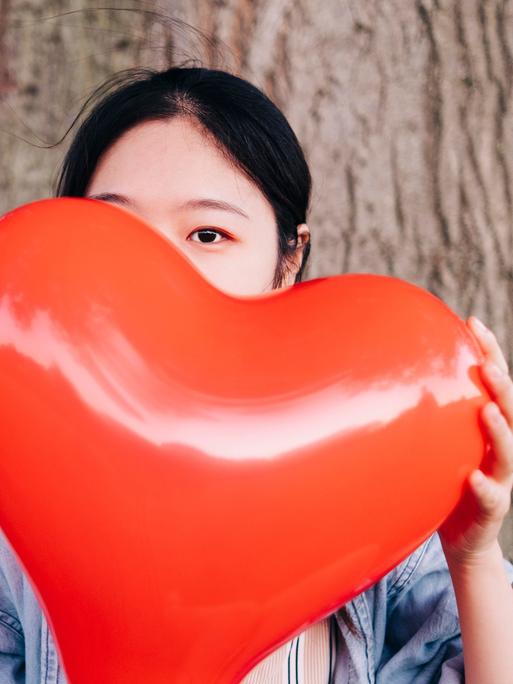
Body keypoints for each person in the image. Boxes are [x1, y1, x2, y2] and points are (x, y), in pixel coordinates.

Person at [1, 65, 512, 684]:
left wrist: (474, 558)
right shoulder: (20, 503)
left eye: (208, 233)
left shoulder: (381, 500)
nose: (158, 267)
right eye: (118, 228)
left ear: (288, 257)